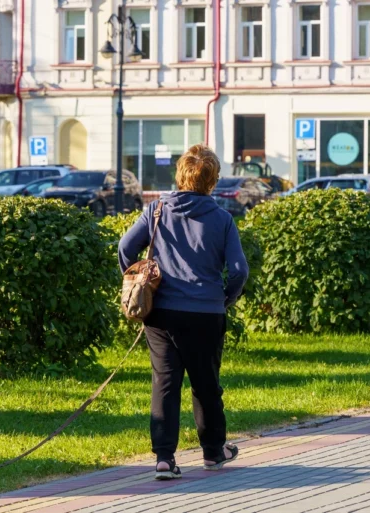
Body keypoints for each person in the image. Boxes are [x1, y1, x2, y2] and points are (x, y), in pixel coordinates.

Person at [118, 144, 249, 481]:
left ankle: (164, 458)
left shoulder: (157, 210)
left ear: (180, 176)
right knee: (206, 383)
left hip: (160, 313)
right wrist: (225, 299)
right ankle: (213, 451)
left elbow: (125, 248)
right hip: (206, 313)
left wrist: (139, 279)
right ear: (212, 180)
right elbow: (239, 271)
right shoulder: (222, 219)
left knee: (165, 382)